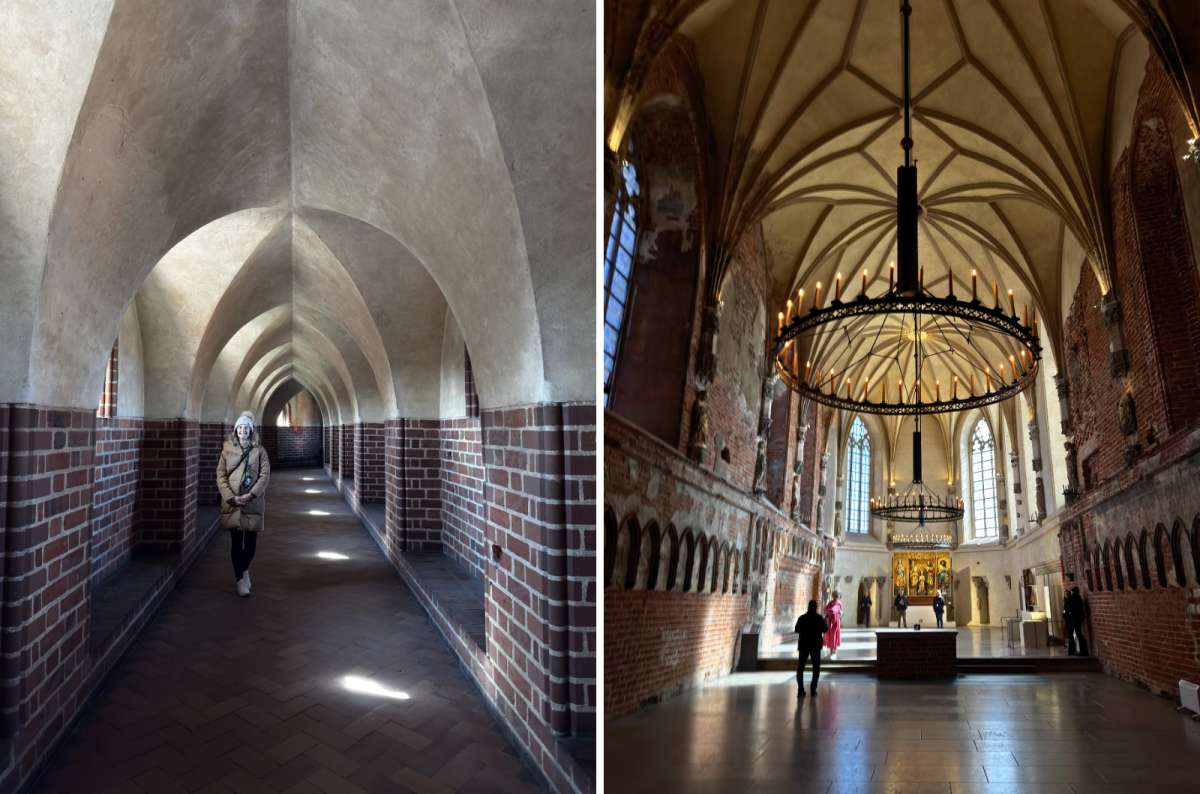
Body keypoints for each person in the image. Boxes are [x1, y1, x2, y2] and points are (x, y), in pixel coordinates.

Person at [216, 412, 271, 597]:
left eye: (246, 428)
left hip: (252, 503)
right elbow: (221, 476)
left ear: (251, 430)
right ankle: (239, 580)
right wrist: (231, 497)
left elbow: (264, 475)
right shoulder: (226, 450)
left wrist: (252, 494)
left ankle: (244, 569)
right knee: (236, 543)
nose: (243, 431)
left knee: (250, 547)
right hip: (233, 503)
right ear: (236, 429)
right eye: (240, 427)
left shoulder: (260, 451)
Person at [795, 600, 828, 698]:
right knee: (816, 668)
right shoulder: (819, 618)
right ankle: (813, 689)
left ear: (808, 607)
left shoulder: (802, 618)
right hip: (815, 645)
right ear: (816, 608)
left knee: (800, 668)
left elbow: (797, 629)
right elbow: (825, 629)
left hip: (804, 645)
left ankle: (800, 690)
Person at [1063, 586, 1089, 656]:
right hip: (1072, 620)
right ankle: (1074, 651)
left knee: (1077, 635)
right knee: (1074, 635)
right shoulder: (1073, 599)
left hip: (1074, 620)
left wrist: (1067, 612)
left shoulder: (1076, 599)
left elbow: (1071, 609)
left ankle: (1081, 651)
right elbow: (1067, 609)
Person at [823, 591, 844, 658]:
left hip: (835, 622)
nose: (834, 597)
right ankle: (831, 651)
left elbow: (832, 610)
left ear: (838, 596)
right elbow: (825, 609)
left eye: (836, 596)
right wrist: (827, 610)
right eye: (834, 596)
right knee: (830, 636)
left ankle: (833, 652)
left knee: (834, 635)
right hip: (830, 622)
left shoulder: (838, 603)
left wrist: (828, 610)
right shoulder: (831, 602)